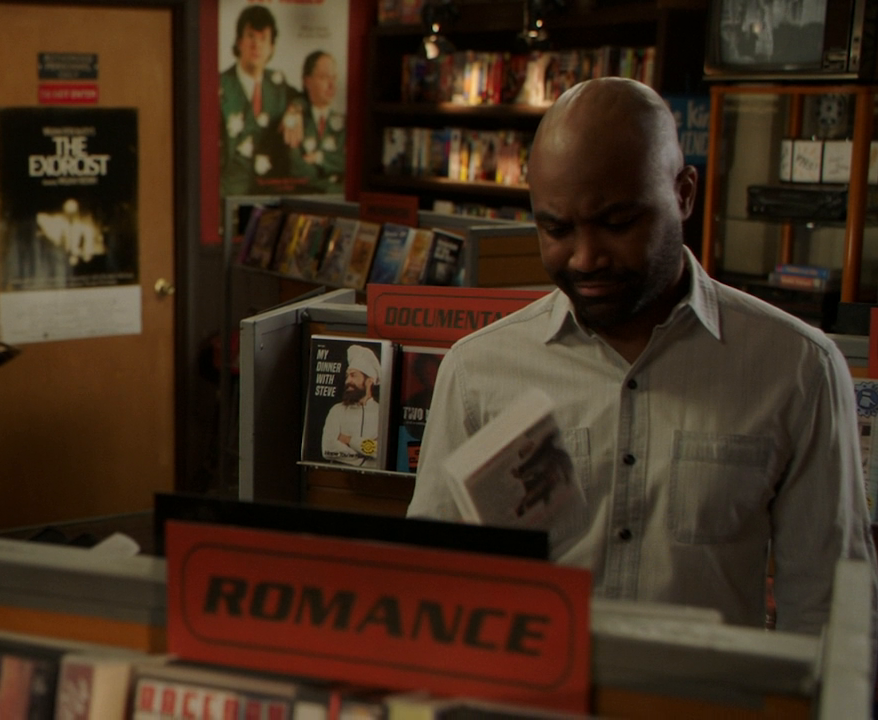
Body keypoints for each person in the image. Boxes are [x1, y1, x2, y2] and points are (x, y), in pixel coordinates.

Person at [407, 77, 878, 636]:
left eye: (617, 224)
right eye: (556, 229)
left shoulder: (798, 368)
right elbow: (433, 587)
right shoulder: (477, 371)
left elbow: (828, 608)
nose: (586, 258)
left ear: (684, 194)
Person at [218, 5, 299, 196]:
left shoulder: (278, 83)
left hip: (270, 192)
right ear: (239, 42)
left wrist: (296, 109)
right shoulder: (219, 84)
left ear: (272, 47)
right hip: (228, 192)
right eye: (251, 36)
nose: (257, 45)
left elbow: (302, 98)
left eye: (263, 39)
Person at [287, 51, 345, 194]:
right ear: (307, 82)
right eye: (324, 77)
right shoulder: (296, 118)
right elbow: (296, 168)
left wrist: (320, 158)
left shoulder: (345, 124)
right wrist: (331, 181)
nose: (331, 85)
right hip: (305, 198)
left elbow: (350, 164)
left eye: (334, 77)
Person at [321, 344, 383, 468]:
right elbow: (328, 449)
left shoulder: (382, 413)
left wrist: (348, 440)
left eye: (353, 375)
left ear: (369, 381)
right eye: (347, 376)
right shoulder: (337, 410)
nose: (347, 381)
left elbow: (381, 451)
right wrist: (365, 454)